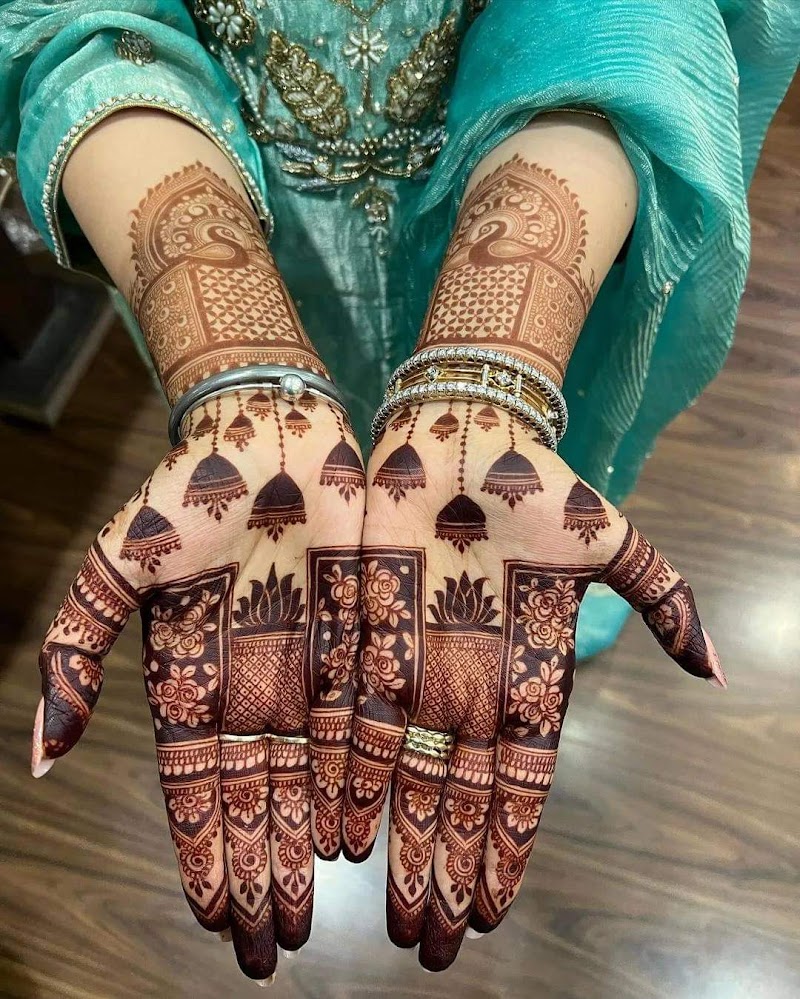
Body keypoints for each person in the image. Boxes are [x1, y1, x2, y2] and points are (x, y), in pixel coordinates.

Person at [2, 0, 797, 985]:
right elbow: (81, 20)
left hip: (545, 210)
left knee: (524, 532)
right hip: (226, 210)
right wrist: (238, 367)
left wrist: (487, 367)